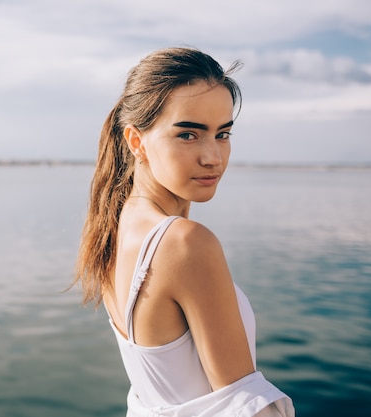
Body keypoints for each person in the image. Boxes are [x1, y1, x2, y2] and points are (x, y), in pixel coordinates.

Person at [74, 47, 294, 417]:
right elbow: (247, 407)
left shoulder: (114, 225)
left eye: (222, 134)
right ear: (136, 141)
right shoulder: (184, 242)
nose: (213, 157)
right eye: (188, 135)